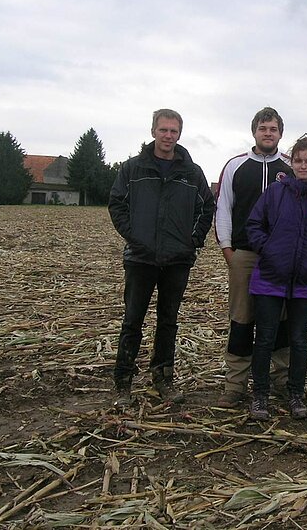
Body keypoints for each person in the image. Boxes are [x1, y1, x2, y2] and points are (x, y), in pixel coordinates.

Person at [108, 108, 215, 408]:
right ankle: (123, 382)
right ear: (153, 131)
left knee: (168, 321)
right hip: (140, 259)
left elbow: (206, 208)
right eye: (163, 130)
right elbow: (117, 204)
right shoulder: (132, 169)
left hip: (177, 260)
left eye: (173, 131)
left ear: (179, 134)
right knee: (133, 321)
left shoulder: (192, 173)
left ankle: (163, 378)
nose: (168, 136)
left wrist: (192, 241)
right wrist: (135, 237)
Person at [245, 136, 307, 420]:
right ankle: (260, 396)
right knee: (265, 339)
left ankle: (296, 394)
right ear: (291, 162)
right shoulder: (276, 192)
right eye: (298, 160)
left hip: (305, 282)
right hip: (270, 278)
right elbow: (254, 224)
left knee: (299, 340)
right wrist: (269, 250)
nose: (303, 165)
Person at [215, 106, 292, 408]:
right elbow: (224, 208)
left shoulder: (290, 167)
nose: (268, 134)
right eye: (263, 128)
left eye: (273, 129)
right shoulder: (236, 166)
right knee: (242, 319)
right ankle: (235, 384)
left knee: (282, 319)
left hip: (280, 259)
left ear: (280, 133)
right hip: (244, 254)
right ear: (254, 132)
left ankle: (283, 380)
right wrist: (228, 250)